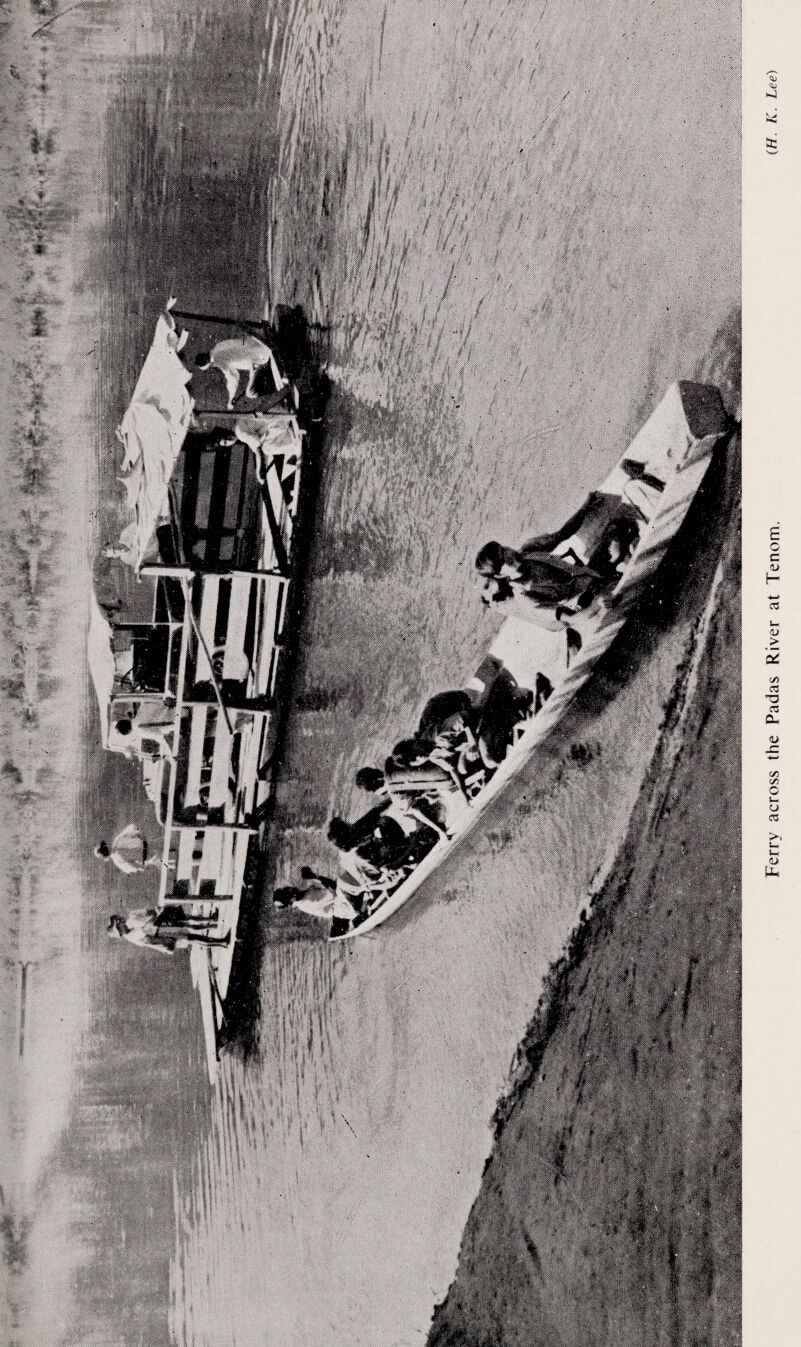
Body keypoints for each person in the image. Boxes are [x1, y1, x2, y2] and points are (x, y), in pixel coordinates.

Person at [194, 335, 287, 410]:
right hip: (258, 345)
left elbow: (233, 378)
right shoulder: (218, 346)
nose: (213, 367)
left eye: (210, 367)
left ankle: (279, 385)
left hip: (261, 358)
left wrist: (230, 400)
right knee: (252, 371)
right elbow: (241, 340)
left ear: (208, 363)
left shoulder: (216, 359)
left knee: (250, 393)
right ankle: (268, 373)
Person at [107, 907, 230, 953]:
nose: (120, 924)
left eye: (118, 924)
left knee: (190, 933)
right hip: (162, 935)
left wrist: (155, 914)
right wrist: (155, 916)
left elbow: (149, 915)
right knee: (192, 938)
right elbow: (147, 929)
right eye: (119, 928)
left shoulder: (129, 922)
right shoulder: (131, 936)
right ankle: (222, 942)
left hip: (161, 929)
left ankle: (221, 940)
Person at [272, 879, 363, 923]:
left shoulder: (304, 894)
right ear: (291, 901)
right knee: (342, 881)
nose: (290, 889)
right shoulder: (307, 903)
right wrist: (316, 877)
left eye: (286, 889)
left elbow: (329, 887)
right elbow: (333, 891)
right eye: (287, 893)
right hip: (348, 906)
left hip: (344, 902)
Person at [95, 824, 168, 875]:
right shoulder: (118, 861)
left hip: (151, 843)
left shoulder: (118, 840)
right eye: (105, 851)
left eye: (105, 847)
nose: (107, 848)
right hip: (151, 857)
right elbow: (136, 867)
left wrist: (140, 835)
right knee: (169, 861)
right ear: (106, 856)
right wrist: (146, 862)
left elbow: (133, 828)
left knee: (171, 842)